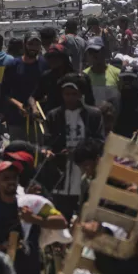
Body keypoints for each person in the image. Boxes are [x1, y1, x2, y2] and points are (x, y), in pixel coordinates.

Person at [0, 160, 67, 274]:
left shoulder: (31, 203)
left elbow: (61, 222)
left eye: (14, 177)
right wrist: (2, 247)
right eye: (6, 178)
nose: (11, 181)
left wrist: (34, 219)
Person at [43, 73, 106, 217]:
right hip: (61, 171)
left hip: (86, 169)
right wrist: (48, 152)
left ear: (80, 94)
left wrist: (80, 151)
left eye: (74, 94)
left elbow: (100, 141)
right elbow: (47, 142)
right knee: (60, 212)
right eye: (66, 94)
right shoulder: (53, 116)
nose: (70, 98)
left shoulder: (93, 115)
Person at [1, 32, 48, 139]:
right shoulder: (13, 65)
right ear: (24, 44)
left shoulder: (44, 64)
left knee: (38, 151)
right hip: (16, 119)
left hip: (39, 118)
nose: (33, 48)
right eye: (31, 44)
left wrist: (36, 106)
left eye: (36, 45)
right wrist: (19, 105)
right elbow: (5, 93)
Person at [84, 37, 122, 111]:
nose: (94, 55)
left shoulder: (117, 73)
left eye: (96, 51)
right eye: (90, 52)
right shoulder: (84, 75)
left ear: (103, 52)